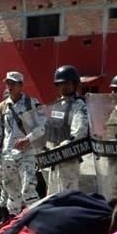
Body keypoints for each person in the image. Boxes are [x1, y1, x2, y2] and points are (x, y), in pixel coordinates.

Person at [0, 71, 45, 224]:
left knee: (28, 190)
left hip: (27, 153)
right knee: (11, 193)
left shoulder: (32, 103)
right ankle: (14, 224)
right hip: (7, 155)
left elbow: (43, 127)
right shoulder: (2, 107)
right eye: (8, 83)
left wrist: (28, 139)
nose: (10, 86)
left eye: (13, 83)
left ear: (21, 85)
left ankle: (37, 223)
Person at [44, 65, 89, 194]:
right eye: (60, 84)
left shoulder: (79, 105)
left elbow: (79, 132)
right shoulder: (57, 105)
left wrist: (63, 146)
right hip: (54, 158)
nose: (63, 87)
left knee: (68, 194)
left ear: (74, 84)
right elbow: (48, 128)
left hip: (69, 157)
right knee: (52, 194)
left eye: (67, 83)